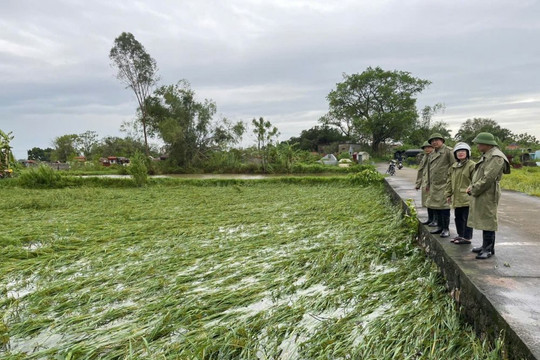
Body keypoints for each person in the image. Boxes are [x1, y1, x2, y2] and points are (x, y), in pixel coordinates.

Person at [467, 132, 510, 259]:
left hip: (488, 191)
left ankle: (488, 248)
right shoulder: (488, 155)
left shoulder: (496, 157)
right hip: (484, 191)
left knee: (488, 219)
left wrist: (474, 189)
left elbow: (488, 178)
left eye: (480, 143)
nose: (478, 145)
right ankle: (485, 246)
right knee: (483, 218)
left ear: (487, 144)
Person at [425, 133, 455, 238]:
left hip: (445, 183)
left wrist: (452, 182)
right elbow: (429, 170)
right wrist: (428, 183)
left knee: (444, 207)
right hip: (434, 184)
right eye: (432, 141)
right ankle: (440, 227)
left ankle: (446, 228)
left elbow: (454, 166)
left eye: (437, 140)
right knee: (436, 206)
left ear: (442, 141)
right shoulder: (432, 153)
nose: (434, 142)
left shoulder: (448, 151)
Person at [445, 142, 475, 244]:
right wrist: (448, 194)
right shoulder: (454, 166)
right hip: (457, 197)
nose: (461, 153)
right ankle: (460, 235)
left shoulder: (472, 165)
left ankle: (467, 237)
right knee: (458, 217)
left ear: (468, 153)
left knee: (466, 218)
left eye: (463, 151)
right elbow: (449, 181)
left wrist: (471, 190)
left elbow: (475, 180)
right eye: (458, 151)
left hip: (467, 196)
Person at [416, 141, 435, 225]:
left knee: (435, 202)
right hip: (425, 182)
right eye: (425, 147)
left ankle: (435, 220)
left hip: (434, 183)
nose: (427, 149)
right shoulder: (424, 157)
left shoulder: (434, 156)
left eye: (429, 147)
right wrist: (418, 184)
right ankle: (430, 219)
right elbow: (420, 171)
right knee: (427, 202)